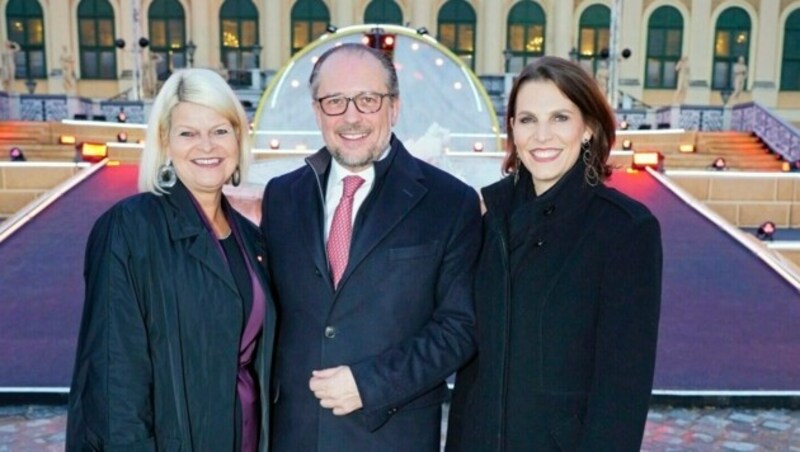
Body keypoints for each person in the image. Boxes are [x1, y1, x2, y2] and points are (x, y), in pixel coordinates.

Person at [260, 43, 481, 451]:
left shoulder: (450, 202)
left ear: (393, 107)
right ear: (316, 110)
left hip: (392, 437)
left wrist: (369, 384)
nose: (351, 116)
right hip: (295, 436)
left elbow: (459, 328)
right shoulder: (281, 196)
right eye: (335, 101)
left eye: (367, 100)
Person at [447, 56, 663, 451]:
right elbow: (471, 368)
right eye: (528, 119)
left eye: (560, 118)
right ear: (512, 129)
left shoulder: (625, 230)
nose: (542, 135)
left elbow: (622, 389)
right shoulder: (488, 218)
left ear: (589, 128)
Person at [67, 68, 275, 451]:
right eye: (188, 133)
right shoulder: (129, 230)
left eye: (219, 130)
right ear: (165, 141)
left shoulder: (251, 237)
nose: (207, 146)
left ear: (238, 136)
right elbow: (114, 381)